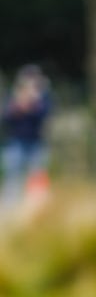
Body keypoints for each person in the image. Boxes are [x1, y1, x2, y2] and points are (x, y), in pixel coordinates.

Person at [1, 65, 51, 203]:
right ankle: (9, 206)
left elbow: (44, 114)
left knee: (37, 176)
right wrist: (20, 104)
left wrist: (32, 103)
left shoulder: (43, 96)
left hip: (36, 142)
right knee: (13, 175)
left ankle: (37, 206)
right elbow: (6, 117)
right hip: (16, 141)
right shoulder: (14, 95)